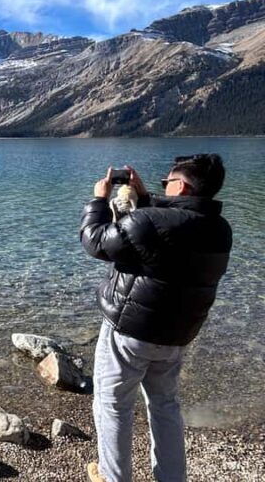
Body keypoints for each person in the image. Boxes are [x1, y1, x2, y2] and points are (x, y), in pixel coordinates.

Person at [80, 154, 233, 482]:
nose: (164, 188)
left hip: (131, 330)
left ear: (180, 185)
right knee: (165, 406)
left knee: (113, 404)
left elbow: (94, 241)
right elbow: (168, 237)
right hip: (177, 334)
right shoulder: (220, 229)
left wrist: (98, 199)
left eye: (167, 183)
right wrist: (147, 197)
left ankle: (112, 477)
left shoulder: (149, 222)